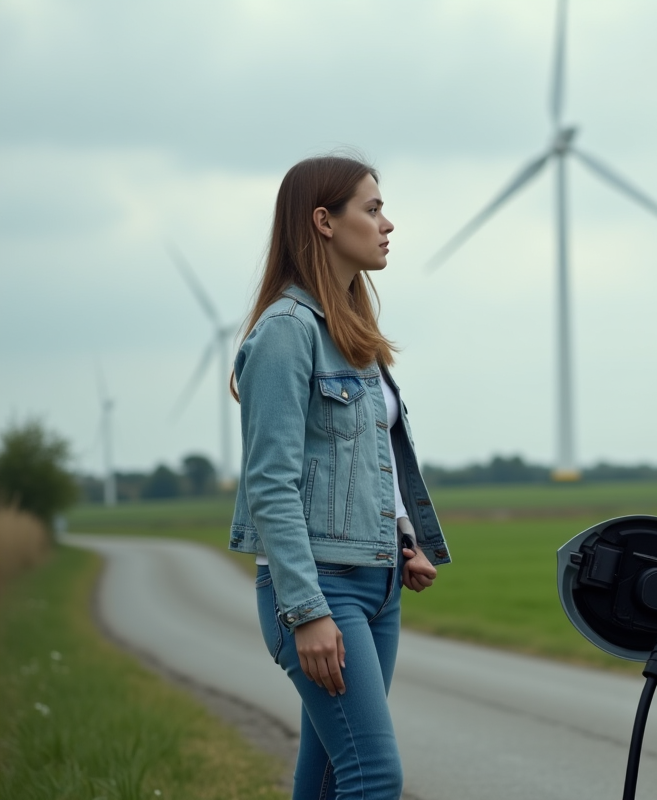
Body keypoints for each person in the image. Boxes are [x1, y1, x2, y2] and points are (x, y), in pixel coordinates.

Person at [228, 154, 451, 799]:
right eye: (372, 209)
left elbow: (367, 453)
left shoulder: (352, 331)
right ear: (324, 221)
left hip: (378, 584)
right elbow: (271, 483)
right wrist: (306, 611)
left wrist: (404, 536)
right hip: (321, 587)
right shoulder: (286, 332)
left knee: (328, 772)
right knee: (373, 775)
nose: (388, 224)